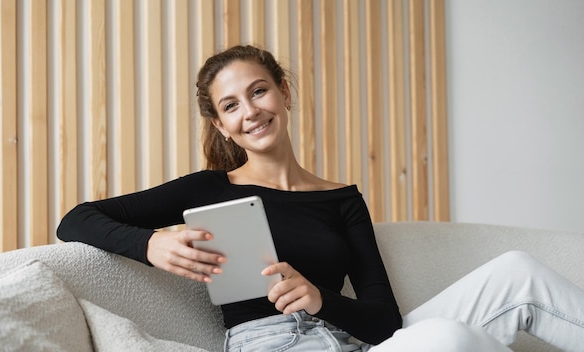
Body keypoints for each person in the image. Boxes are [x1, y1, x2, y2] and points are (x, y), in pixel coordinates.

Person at [57, 45, 584, 352]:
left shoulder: (343, 199)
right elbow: (76, 220)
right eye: (231, 105)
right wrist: (151, 245)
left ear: (283, 93)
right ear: (221, 124)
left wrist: (320, 298)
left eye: (259, 91)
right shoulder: (211, 188)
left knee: (517, 271)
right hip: (274, 346)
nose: (251, 111)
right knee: (448, 337)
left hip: (350, 340)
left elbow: (384, 322)